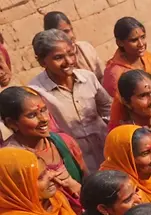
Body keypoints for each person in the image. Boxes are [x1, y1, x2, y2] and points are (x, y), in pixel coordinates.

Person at [28, 29, 111, 172]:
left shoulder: (88, 78)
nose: (69, 61)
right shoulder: (36, 92)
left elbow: (108, 109)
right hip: (74, 162)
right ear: (42, 61)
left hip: (107, 151)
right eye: (58, 57)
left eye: (71, 54)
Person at [0, 86, 86, 197]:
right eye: (32, 115)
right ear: (11, 123)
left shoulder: (64, 141)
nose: (44, 119)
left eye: (43, 110)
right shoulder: (10, 160)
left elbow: (85, 179)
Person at [42, 11, 104, 81]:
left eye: (71, 30)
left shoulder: (86, 47)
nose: (72, 35)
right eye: (65, 32)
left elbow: (102, 76)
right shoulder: (55, 62)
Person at [103, 17, 151, 98]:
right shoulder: (115, 74)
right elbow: (118, 104)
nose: (141, 44)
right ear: (120, 43)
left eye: (143, 37)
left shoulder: (149, 57)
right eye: (134, 40)